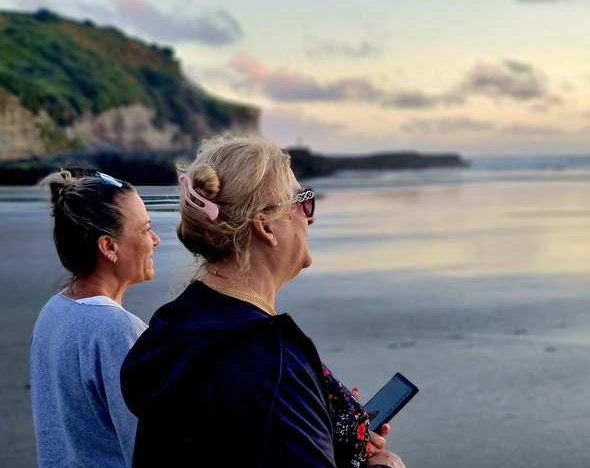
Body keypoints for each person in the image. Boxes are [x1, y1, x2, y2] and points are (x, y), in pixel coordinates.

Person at [121, 137, 404, 468]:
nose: (309, 217)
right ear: (266, 226)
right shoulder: (269, 363)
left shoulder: (172, 324)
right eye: (302, 201)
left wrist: (316, 425)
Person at [31, 170, 161, 468]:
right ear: (109, 247)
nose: (155, 240)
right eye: (145, 230)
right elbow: (146, 447)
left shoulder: (53, 311)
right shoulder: (116, 330)